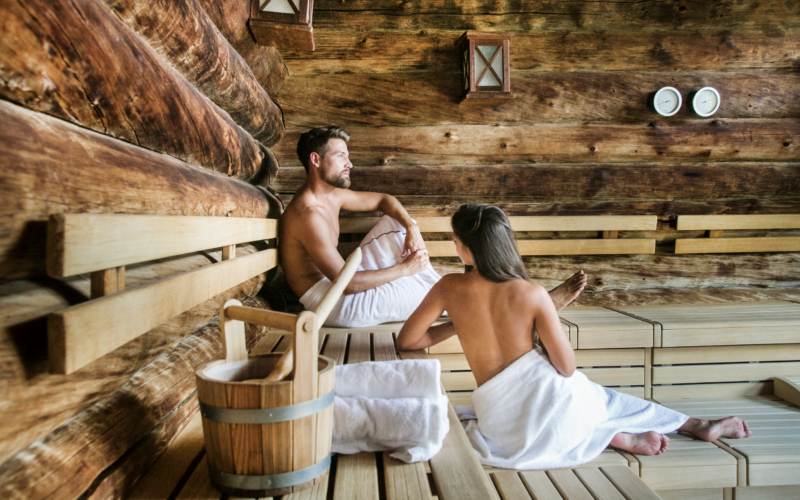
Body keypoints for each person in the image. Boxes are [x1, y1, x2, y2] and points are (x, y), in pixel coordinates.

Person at [396, 204, 752, 469]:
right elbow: (566, 368)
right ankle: (681, 426)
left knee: (595, 401)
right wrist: (543, 317)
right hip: (553, 401)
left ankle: (615, 433)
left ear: (464, 247)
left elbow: (408, 341)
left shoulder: (449, 287)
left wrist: (462, 321)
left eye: (455, 240)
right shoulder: (531, 293)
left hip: (499, 419)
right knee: (598, 397)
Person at [280, 126, 588, 327]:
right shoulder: (308, 214)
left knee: (396, 224)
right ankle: (535, 310)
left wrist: (411, 227)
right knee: (441, 295)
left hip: (343, 285)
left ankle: (526, 304)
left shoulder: (332, 196)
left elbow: (385, 200)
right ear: (316, 160)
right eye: (342, 156)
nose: (350, 163)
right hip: (332, 304)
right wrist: (405, 269)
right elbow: (345, 285)